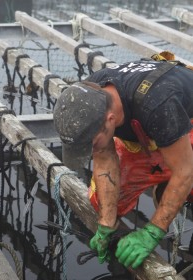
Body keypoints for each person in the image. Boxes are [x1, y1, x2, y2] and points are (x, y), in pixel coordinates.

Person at [53, 52, 193, 269]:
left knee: (185, 182)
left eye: (90, 144)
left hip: (184, 128)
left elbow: (186, 171)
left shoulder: (159, 103)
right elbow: (105, 158)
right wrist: (106, 222)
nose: (90, 151)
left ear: (110, 120)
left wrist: (153, 231)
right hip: (153, 132)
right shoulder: (93, 94)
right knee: (102, 201)